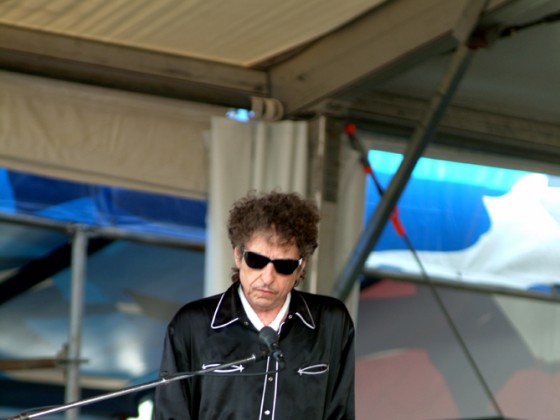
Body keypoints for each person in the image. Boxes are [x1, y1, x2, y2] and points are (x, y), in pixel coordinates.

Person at [153, 190, 355, 419]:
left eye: (284, 266)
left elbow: (341, 413)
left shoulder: (330, 322)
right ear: (238, 256)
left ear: (300, 266)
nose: (267, 278)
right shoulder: (193, 324)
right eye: (257, 261)